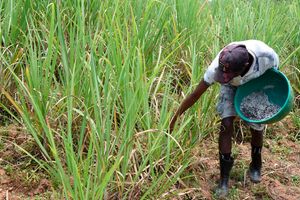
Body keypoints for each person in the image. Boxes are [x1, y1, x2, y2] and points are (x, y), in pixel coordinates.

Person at [169, 40, 279, 198]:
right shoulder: (219, 67)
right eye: (222, 72)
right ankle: (224, 179)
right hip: (231, 85)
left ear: (245, 65)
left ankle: (256, 165)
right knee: (226, 124)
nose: (223, 75)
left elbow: (274, 79)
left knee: (256, 123)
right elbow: (195, 94)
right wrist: (174, 117)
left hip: (255, 82)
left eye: (228, 73)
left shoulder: (267, 57)